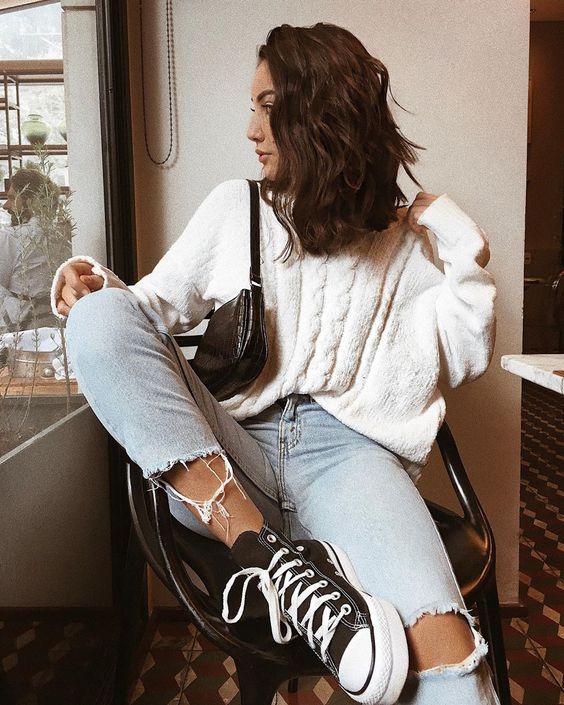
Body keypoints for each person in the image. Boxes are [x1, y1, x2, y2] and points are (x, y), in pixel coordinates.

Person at [50, 22, 500, 705]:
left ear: (322, 115)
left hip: (352, 462)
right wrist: (89, 287)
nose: (251, 129)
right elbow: (144, 311)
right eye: (252, 107)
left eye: (268, 107)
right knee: (99, 317)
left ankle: (301, 568)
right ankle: (267, 554)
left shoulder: (404, 241)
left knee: (451, 663)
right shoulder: (236, 209)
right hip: (229, 457)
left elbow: (463, 357)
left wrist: (463, 245)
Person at [1, 168, 71, 332]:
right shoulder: (65, 241)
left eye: (12, 198)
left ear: (31, 202)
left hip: (20, 333)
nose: (6, 206)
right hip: (60, 329)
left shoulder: (9, 238)